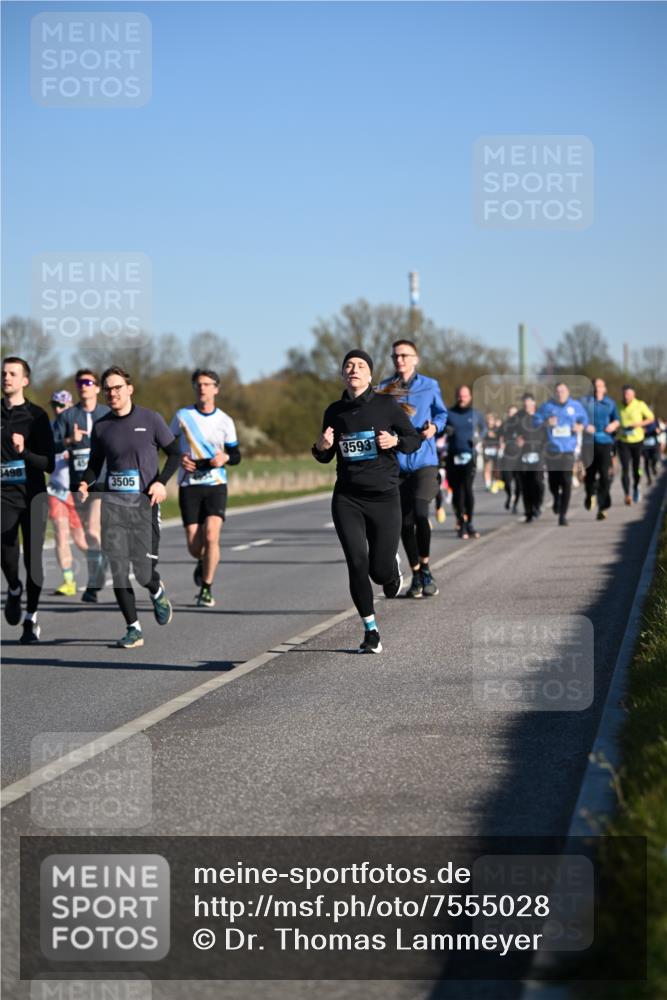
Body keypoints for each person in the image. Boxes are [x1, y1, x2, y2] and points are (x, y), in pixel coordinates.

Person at [312, 349, 419, 653]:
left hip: (385, 497)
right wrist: (320, 446)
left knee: (379, 571)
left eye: (360, 366)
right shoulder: (334, 411)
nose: (354, 369)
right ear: (343, 374)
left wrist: (395, 441)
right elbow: (325, 455)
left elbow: (414, 440)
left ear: (370, 375)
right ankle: (370, 630)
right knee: (357, 562)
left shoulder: (387, 406)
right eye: (349, 365)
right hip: (348, 498)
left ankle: (391, 568)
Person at [77, 366, 181, 648]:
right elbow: (94, 465)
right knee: (119, 568)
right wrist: (85, 484)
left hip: (144, 507)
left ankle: (156, 590)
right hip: (114, 507)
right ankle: (133, 628)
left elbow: (175, 454)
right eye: (108, 389)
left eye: (117, 387)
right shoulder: (101, 427)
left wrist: (161, 483)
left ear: (129, 389)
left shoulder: (150, 419)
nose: (112, 393)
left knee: (144, 570)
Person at [378, 340, 447, 599]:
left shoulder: (430, 385)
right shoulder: (385, 388)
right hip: (396, 465)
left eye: (405, 355)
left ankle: (426, 568)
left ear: (416, 359)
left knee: (420, 513)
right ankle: (416, 572)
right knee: (403, 523)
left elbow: (441, 414)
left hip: (423, 461)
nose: (400, 360)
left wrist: (434, 428)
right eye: (396, 356)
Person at [170, 368, 241, 607]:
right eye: (198, 384)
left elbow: (236, 454)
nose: (202, 388)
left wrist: (226, 459)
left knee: (212, 535)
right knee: (194, 545)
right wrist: (180, 458)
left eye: (207, 384)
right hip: (189, 484)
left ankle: (207, 588)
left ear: (216, 389)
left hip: (215, 484)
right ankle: (201, 560)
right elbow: (167, 446)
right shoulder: (182, 416)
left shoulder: (225, 421)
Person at [1, 357, 55, 643]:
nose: (6, 377)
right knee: (6, 553)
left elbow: (50, 464)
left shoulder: (37, 416)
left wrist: (24, 453)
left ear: (25, 381)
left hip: (33, 496)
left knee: (34, 560)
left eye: (12, 373)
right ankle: (12, 588)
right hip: (4, 497)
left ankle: (31, 618)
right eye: (3, 373)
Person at [53, 369, 110, 602]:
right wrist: (69, 441)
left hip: (102, 480)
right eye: (79, 382)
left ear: (97, 387)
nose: (83, 385)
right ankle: (102, 563)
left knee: (93, 529)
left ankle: (93, 584)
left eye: (88, 382)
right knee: (85, 536)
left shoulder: (106, 414)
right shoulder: (68, 416)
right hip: (77, 484)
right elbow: (50, 446)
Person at [47, 389, 88, 595]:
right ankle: (69, 580)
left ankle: (101, 565)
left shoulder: (81, 428)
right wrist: (67, 441)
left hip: (76, 492)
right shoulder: (49, 429)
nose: (58, 409)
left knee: (82, 540)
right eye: (55, 405)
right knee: (60, 535)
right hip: (56, 491)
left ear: (70, 407)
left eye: (62, 406)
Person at [534, 382, 588, 527]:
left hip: (568, 450)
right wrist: (546, 422)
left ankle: (563, 516)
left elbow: (585, 420)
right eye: (558, 391)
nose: (560, 394)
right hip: (552, 450)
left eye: (563, 391)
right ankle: (556, 498)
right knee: (553, 481)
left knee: (567, 481)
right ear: (554, 393)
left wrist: (580, 426)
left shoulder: (575, 406)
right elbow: (535, 421)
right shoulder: (547, 406)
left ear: (568, 392)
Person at [444, 385, 486, 538]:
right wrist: (445, 430)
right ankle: (460, 522)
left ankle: (470, 523)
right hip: (453, 456)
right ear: (457, 396)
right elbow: (441, 428)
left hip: (470, 456)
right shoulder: (449, 413)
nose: (462, 399)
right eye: (460, 396)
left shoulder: (475, 413)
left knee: (467, 488)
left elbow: (484, 428)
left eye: (465, 396)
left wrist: (479, 438)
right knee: (456, 492)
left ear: (470, 397)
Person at [581, 378, 620, 521]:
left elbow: (616, 419)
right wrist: (585, 425)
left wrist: (613, 425)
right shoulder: (585, 402)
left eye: (600, 386)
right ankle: (589, 494)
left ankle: (602, 507)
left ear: (605, 389)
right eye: (595, 386)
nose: (597, 389)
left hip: (605, 442)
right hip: (589, 443)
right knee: (590, 474)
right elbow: (578, 418)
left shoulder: (610, 403)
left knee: (605, 475)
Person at [507, 393, 547, 523]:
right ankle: (528, 511)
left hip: (538, 454)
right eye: (525, 403)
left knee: (538, 483)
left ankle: (537, 505)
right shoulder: (517, 417)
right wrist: (515, 439)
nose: (527, 405)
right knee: (525, 485)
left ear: (534, 403)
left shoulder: (541, 416)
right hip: (522, 455)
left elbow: (548, 433)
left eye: (529, 402)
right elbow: (506, 432)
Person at [617, 385, 655, 504]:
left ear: (633, 395)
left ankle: (635, 488)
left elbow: (651, 418)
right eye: (624, 394)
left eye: (628, 394)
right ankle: (627, 494)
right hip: (623, 441)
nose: (626, 396)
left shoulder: (640, 404)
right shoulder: (617, 406)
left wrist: (638, 424)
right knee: (624, 469)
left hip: (637, 441)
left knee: (636, 469)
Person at [481, 413, 502, 492]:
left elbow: (501, 437)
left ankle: (495, 483)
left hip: (495, 449)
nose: (490, 421)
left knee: (496, 468)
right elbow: (481, 437)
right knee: (487, 467)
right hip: (487, 449)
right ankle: (487, 484)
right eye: (488, 419)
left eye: (491, 419)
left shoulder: (497, 428)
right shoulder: (484, 429)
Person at [642, 417, 660, 485]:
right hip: (644, 446)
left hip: (654, 445)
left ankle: (653, 466)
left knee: (655, 458)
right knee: (646, 462)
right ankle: (649, 479)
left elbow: (658, 430)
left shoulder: (655, 421)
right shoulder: (640, 421)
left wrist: (657, 431)